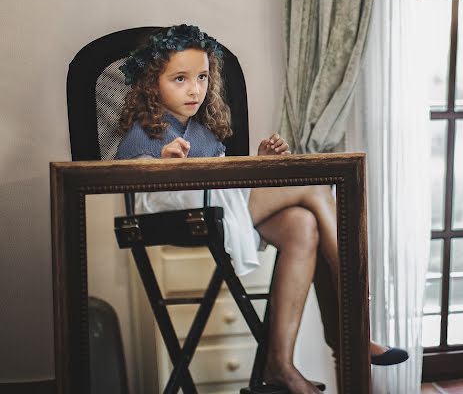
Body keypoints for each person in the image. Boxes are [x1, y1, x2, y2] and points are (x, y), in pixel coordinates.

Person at [115, 24, 407, 394]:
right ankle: (355, 329)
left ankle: (280, 364)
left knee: (302, 225)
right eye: (179, 79)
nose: (194, 89)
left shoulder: (205, 132)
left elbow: (226, 185)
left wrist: (259, 167)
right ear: (151, 84)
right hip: (178, 213)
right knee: (315, 187)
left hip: (220, 207)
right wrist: (159, 161)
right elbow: (126, 174)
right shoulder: (143, 130)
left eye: (202, 77)